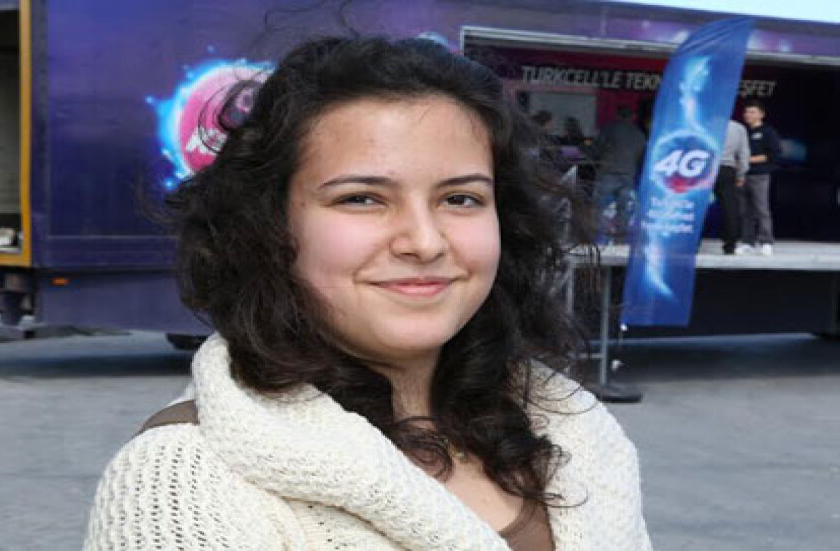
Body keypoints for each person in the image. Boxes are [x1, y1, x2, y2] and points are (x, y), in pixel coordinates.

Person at [84, 37, 652, 551]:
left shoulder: (575, 428)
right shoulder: (181, 482)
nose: (425, 242)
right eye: (362, 199)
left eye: (460, 199)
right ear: (268, 227)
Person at [591, 105, 647, 244]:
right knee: (624, 208)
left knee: (599, 206)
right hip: (628, 174)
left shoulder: (609, 128)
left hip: (608, 172)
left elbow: (597, 149)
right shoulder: (639, 134)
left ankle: (597, 237)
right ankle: (620, 238)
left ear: (617, 115)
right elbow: (641, 157)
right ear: (633, 117)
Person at [736, 99, 782, 256]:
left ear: (761, 114)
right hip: (742, 175)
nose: (748, 115)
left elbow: (773, 155)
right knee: (744, 211)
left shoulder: (768, 132)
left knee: (761, 209)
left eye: (752, 112)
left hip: (759, 175)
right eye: (746, 112)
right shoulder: (743, 132)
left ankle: (766, 241)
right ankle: (747, 242)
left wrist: (748, 159)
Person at [715, 119, 750, 254]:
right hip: (726, 169)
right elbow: (744, 153)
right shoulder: (738, 127)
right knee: (729, 208)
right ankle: (730, 244)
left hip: (703, 167)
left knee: (698, 206)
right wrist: (741, 174)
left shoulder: (705, 123)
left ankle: (693, 243)